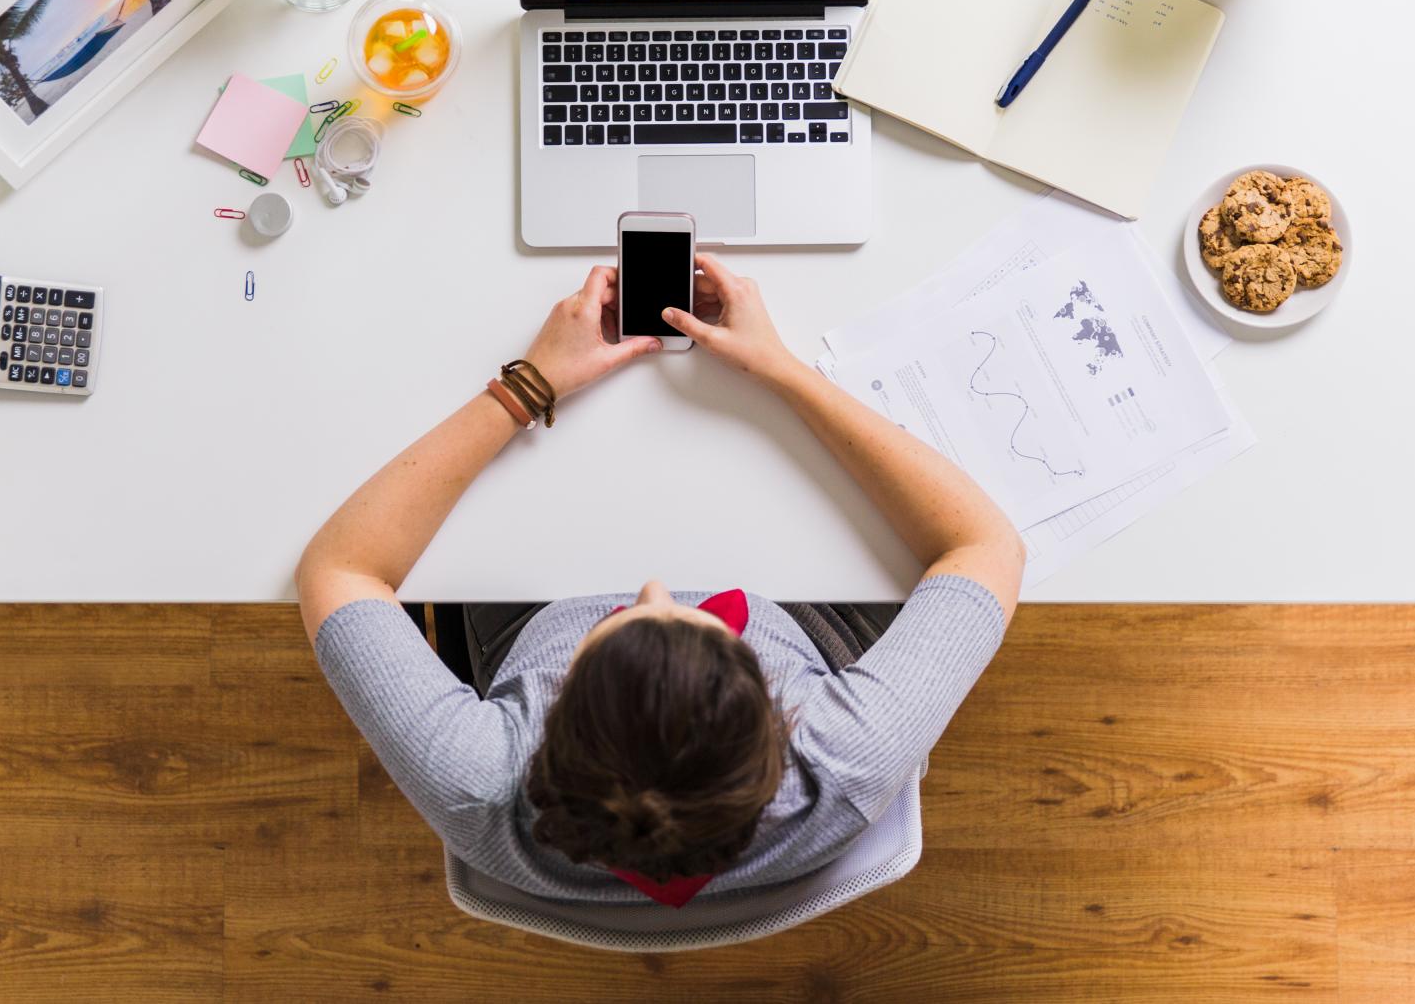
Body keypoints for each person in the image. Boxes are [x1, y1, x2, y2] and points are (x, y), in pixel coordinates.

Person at [297, 255, 1023, 904]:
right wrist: (781, 367)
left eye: (614, 624)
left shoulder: (478, 780)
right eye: (687, 616)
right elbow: (986, 543)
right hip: (806, 619)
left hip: (525, 615)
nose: (652, 587)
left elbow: (339, 567)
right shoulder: (843, 758)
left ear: (548, 727)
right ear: (780, 719)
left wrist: (531, 384)